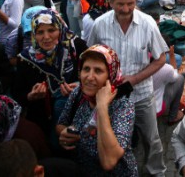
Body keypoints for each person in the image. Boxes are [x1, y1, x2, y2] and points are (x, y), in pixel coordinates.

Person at [87, 0, 169, 176]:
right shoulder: (99, 25)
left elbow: (160, 60)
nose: (125, 9)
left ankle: (157, 171)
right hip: (111, 96)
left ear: (136, 0)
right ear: (110, 2)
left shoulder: (148, 24)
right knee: (113, 138)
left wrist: (135, 78)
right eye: (120, 4)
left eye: (130, 4)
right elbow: (91, 58)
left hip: (141, 95)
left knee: (152, 138)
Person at [56, 44, 138, 176]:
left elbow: (109, 162)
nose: (89, 76)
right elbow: (61, 123)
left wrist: (102, 106)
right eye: (86, 69)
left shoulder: (123, 106)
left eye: (98, 71)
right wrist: (64, 135)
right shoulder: (78, 93)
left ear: (110, 76)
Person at [14, 9, 88, 136]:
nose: (46, 37)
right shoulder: (25, 59)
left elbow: (95, 75)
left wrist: (80, 87)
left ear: (60, 29)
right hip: (43, 122)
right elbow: (17, 93)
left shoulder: (76, 47)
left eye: (51, 30)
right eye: (40, 32)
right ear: (33, 34)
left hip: (79, 116)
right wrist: (30, 96)